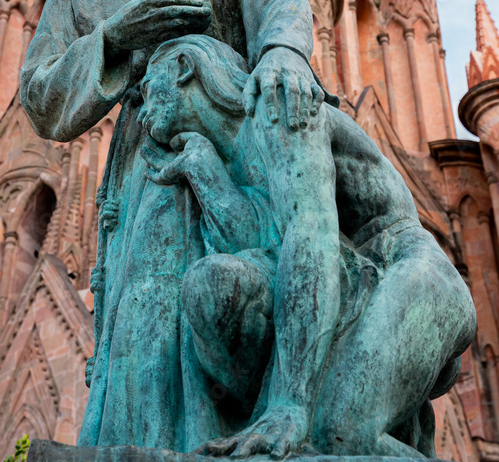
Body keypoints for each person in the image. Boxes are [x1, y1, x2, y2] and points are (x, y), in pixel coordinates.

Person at [20, 0, 339, 455]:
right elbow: (42, 98)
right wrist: (114, 38)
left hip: (245, 160)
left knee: (231, 317)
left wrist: (282, 53)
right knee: (144, 332)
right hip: (147, 179)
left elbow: (284, 9)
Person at [138, 34, 477, 459]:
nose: (141, 114)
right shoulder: (231, 151)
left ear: (185, 67)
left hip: (407, 273)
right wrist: (202, 168)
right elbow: (264, 249)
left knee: (338, 433)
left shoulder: (279, 103)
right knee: (210, 283)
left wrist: (290, 403)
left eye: (149, 89)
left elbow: (311, 237)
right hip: (350, 276)